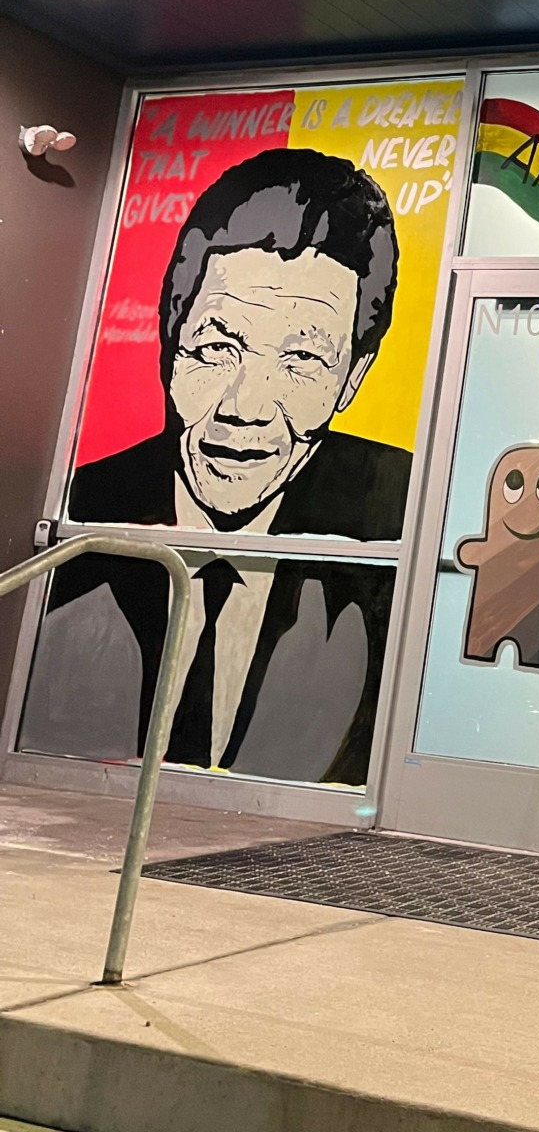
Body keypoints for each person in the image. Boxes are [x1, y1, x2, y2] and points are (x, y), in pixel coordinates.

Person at [21, 150, 408, 785]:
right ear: (170, 343)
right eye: (216, 348)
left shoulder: (399, 513)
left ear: (352, 379)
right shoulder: (81, 510)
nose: (243, 407)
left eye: (301, 360)